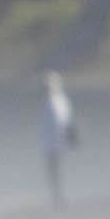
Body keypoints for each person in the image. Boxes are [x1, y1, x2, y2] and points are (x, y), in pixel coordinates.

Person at [40, 70, 80, 207]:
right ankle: (57, 195)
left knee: (55, 169)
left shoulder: (56, 101)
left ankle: (59, 196)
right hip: (53, 142)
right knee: (54, 169)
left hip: (56, 142)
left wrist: (70, 135)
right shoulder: (58, 101)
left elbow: (63, 121)